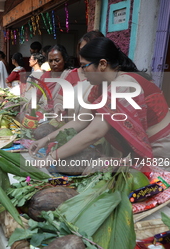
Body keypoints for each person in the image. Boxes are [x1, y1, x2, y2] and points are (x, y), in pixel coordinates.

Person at [30, 37, 170, 167]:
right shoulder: (100, 86)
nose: (82, 72)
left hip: (160, 146)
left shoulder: (123, 85)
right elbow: (81, 121)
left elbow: (95, 132)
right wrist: (46, 139)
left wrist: (53, 157)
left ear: (102, 64)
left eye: (85, 66)